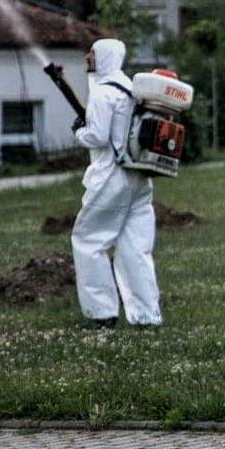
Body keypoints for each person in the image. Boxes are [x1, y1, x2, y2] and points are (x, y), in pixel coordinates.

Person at [69, 39, 161, 329]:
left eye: (93, 53)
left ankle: (102, 314)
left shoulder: (102, 92)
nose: (88, 57)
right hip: (139, 175)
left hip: (112, 177)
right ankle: (147, 316)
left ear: (105, 57)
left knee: (88, 240)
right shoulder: (133, 89)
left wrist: (79, 131)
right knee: (135, 248)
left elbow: (97, 137)